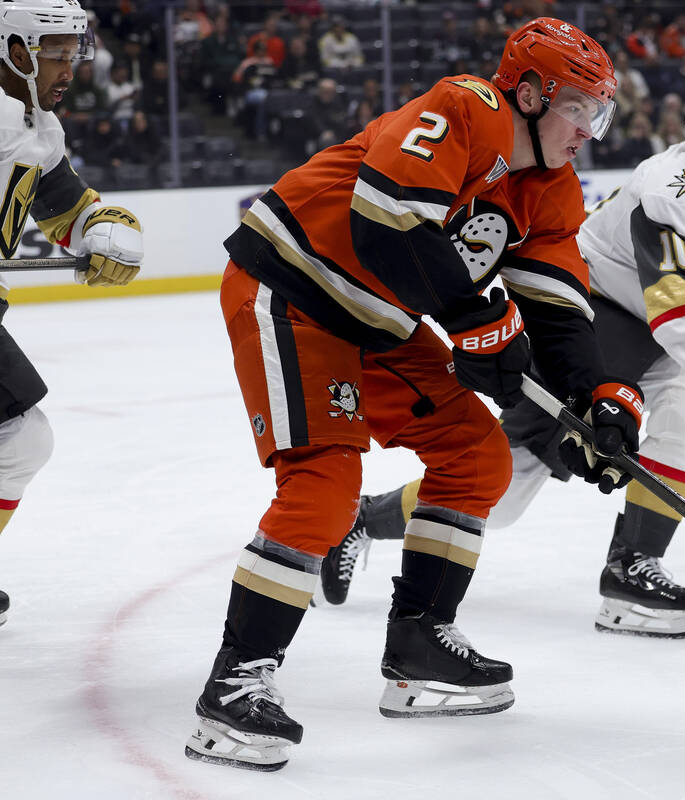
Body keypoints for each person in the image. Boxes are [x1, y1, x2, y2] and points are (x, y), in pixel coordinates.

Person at [184, 18, 638, 771]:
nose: (591, 130)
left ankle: (420, 644)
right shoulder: (465, 107)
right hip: (293, 287)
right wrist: (480, 323)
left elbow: (558, 312)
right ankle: (233, 685)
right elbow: (389, 222)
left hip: (376, 321)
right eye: (580, 109)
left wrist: (600, 399)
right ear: (528, 94)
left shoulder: (550, 190)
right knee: (326, 486)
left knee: (477, 456)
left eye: (601, 113)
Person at [318, 84, 685, 640]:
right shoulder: (666, 188)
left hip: (681, 329)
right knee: (506, 494)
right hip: (593, 320)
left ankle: (631, 568)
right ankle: (366, 517)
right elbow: (677, 300)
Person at [0, 0, 143, 627]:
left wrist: (102, 225)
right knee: (20, 439)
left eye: (73, 52)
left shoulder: (34, 125)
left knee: (21, 440)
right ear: (16, 51)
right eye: (56, 53)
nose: (70, 67)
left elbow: (64, 207)